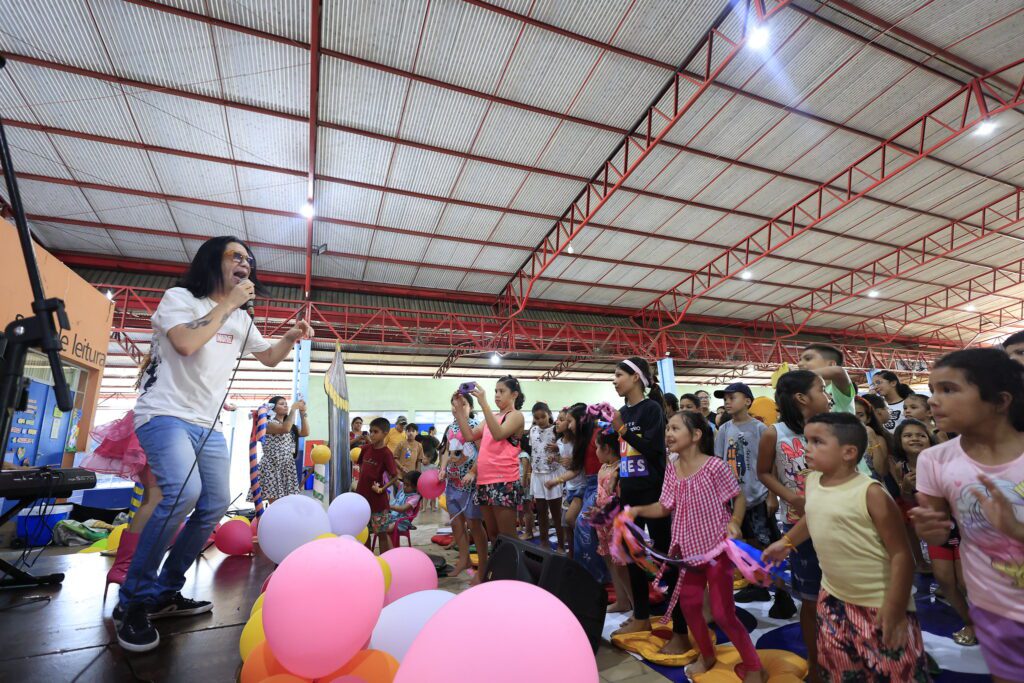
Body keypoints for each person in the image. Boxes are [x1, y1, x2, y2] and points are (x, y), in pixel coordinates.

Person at [114, 236, 313, 653]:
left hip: (208, 424)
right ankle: (132, 601)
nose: (245, 263)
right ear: (213, 262)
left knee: (215, 503)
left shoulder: (242, 321)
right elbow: (185, 343)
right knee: (182, 493)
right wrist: (227, 306)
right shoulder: (180, 298)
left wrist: (291, 336)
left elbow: (270, 357)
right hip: (164, 414)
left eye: (248, 260)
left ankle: (166, 591)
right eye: (235, 256)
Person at [764, 413, 929, 682]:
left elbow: (902, 554)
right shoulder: (815, 480)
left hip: (880, 604)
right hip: (832, 599)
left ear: (849, 452)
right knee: (841, 669)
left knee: (893, 672)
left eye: (817, 441)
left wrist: (896, 607)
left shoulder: (871, 493)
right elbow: (814, 514)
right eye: (807, 440)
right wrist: (787, 541)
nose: (807, 447)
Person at [911, 348, 1024, 681]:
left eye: (949, 389)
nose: (934, 400)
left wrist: (1016, 530)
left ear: (1000, 401)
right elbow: (938, 529)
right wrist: (931, 532)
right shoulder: (934, 460)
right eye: (932, 390)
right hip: (994, 605)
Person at [627, 411, 761, 681]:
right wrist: (637, 509)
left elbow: (738, 498)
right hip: (687, 552)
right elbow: (665, 506)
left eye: (675, 428)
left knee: (723, 613)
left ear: (696, 435)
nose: (668, 433)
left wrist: (734, 521)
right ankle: (707, 654)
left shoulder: (714, 466)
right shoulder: (672, 466)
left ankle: (754, 665)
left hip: (717, 550)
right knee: (688, 607)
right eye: (667, 428)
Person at [756, 370, 832, 683]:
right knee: (811, 598)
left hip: (838, 520)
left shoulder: (833, 427)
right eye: (821, 389)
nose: (827, 395)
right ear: (801, 398)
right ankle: (815, 665)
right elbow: (763, 472)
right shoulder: (774, 432)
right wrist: (789, 496)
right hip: (798, 523)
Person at [608, 358, 688, 648]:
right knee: (631, 554)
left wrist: (622, 430)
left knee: (666, 556)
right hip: (629, 492)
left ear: (636, 378)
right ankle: (641, 614)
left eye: (619, 375)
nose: (614, 381)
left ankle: (679, 622)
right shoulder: (622, 412)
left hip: (654, 493)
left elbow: (655, 450)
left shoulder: (651, 409)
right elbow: (625, 454)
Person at [714, 383, 791, 614]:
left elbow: (771, 463)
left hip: (758, 496)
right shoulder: (724, 429)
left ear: (747, 401)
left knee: (768, 545)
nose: (727, 402)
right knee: (747, 545)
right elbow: (718, 463)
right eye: (725, 398)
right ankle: (757, 584)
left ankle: (783, 594)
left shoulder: (760, 429)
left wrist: (772, 496)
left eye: (732, 397)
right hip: (734, 500)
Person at [455, 377, 525, 581]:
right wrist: (460, 410)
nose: (496, 395)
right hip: (485, 481)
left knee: (508, 537)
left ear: (514, 395)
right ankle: (501, 576)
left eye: (501, 391)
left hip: (504, 481)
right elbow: (468, 435)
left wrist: (483, 403)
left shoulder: (516, 416)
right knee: (493, 534)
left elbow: (498, 434)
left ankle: (515, 578)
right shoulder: (491, 417)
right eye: (495, 391)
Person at [438, 392, 484, 578]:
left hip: (470, 486)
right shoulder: (451, 427)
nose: (458, 407)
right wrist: (442, 469)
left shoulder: (475, 426)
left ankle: (482, 564)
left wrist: (473, 472)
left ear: (471, 407)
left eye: (463, 404)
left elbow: (483, 452)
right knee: (456, 524)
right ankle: (463, 559)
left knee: (474, 524)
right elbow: (447, 452)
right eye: (455, 404)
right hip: (453, 483)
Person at [891, 419, 935, 575]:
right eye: (908, 435)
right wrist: (907, 486)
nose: (915, 438)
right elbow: (905, 496)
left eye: (921, 435)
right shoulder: (900, 467)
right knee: (909, 528)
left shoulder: (936, 462)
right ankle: (920, 562)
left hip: (936, 507)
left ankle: (939, 563)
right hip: (912, 505)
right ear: (899, 441)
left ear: (930, 440)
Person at [594, 430, 630, 613]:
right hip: (602, 521)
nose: (595, 452)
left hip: (615, 521)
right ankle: (622, 600)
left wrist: (603, 511)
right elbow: (600, 494)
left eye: (597, 448)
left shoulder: (619, 470)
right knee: (609, 561)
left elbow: (619, 499)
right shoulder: (604, 468)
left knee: (621, 564)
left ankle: (635, 604)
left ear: (607, 448)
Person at [355, 417, 399, 554]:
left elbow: (395, 476)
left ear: (385, 433)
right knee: (364, 532)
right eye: (371, 431)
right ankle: (367, 561)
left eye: (376, 431)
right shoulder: (365, 449)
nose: (372, 434)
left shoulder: (386, 454)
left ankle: (386, 561)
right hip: (362, 500)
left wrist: (381, 489)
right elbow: (361, 465)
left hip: (378, 503)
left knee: (382, 534)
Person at [547, 406, 585, 556]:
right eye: (559, 419)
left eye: (563, 420)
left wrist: (556, 480)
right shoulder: (560, 443)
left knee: (572, 521)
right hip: (567, 486)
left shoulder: (577, 442)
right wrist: (555, 458)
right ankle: (572, 553)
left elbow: (576, 466)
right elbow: (565, 462)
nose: (557, 422)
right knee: (565, 524)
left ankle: (583, 551)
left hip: (579, 485)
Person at [257, 396, 307, 504]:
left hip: (287, 465)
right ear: (272, 408)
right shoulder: (268, 423)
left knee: (288, 501)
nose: (285, 405)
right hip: (272, 465)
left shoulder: (290, 425)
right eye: (281, 403)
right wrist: (293, 409)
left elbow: (305, 432)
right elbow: (284, 429)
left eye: (286, 403)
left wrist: (302, 413)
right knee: (275, 502)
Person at [528, 402, 564, 552]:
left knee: (556, 513)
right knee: (541, 511)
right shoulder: (533, 430)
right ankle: (544, 543)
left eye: (543, 416)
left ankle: (562, 544)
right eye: (537, 418)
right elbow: (533, 451)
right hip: (537, 474)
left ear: (549, 414)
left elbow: (566, 450)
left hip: (552, 473)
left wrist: (558, 447)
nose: (540, 420)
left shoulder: (556, 430)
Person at [798, 343, 855, 414]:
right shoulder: (803, 394)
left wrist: (798, 375)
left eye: (808, 359)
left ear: (831, 365)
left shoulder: (839, 392)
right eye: (800, 359)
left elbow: (839, 372)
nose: (799, 364)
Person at [854, 395, 892, 480]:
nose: (856, 419)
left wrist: (873, 440)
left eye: (860, 415)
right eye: (851, 413)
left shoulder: (878, 439)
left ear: (868, 419)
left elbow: (882, 471)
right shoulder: (838, 439)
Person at [386, 470, 422, 535]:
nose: (404, 486)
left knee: (387, 529)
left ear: (416, 487)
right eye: (404, 484)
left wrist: (389, 506)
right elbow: (394, 480)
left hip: (401, 521)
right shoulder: (403, 487)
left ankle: (390, 544)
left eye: (407, 485)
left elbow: (402, 509)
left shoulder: (415, 498)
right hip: (392, 517)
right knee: (380, 526)